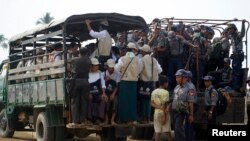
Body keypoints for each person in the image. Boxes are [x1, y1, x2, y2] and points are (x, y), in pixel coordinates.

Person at [115, 42, 142, 123]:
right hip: (133, 83)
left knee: (123, 100)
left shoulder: (122, 58)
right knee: (132, 101)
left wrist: (121, 74)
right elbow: (140, 69)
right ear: (133, 50)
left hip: (124, 82)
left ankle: (122, 118)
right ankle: (131, 119)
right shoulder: (138, 59)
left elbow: (116, 69)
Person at [67, 47, 91, 127]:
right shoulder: (88, 60)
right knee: (84, 101)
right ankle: (82, 120)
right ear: (86, 53)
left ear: (79, 52)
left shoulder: (75, 59)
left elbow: (67, 61)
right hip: (85, 81)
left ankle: (75, 121)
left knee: (75, 101)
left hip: (76, 82)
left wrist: (71, 53)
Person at [138, 44, 162, 123]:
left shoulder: (142, 60)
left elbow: (139, 70)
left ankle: (144, 118)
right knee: (149, 101)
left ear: (143, 52)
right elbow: (160, 70)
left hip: (144, 83)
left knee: (143, 100)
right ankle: (148, 118)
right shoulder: (154, 60)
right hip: (152, 84)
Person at [171, 69, 195, 141]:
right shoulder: (177, 87)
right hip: (174, 110)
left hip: (182, 111)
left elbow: (190, 102)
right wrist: (169, 106)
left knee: (179, 128)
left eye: (178, 77)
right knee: (175, 128)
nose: (176, 79)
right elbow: (174, 98)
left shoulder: (190, 88)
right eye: (176, 77)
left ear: (184, 78)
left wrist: (191, 115)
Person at [151, 75, 172, 141]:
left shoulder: (154, 91)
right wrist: (165, 117)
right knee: (167, 132)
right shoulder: (166, 92)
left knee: (157, 132)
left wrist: (159, 107)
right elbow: (165, 105)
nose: (167, 84)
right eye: (167, 83)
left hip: (156, 113)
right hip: (164, 113)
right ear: (165, 83)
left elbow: (151, 103)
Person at [88, 58, 108, 124]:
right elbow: (85, 85)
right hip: (90, 94)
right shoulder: (87, 74)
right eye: (95, 65)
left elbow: (103, 84)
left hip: (98, 93)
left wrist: (104, 93)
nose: (97, 67)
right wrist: (88, 93)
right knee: (89, 99)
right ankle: (90, 119)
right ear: (91, 66)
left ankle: (99, 118)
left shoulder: (100, 73)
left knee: (103, 99)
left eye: (97, 65)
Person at [227, 20, 246, 91]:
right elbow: (226, 34)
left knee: (237, 73)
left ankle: (236, 88)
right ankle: (235, 87)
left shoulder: (237, 35)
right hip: (235, 56)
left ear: (234, 29)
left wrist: (243, 24)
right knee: (234, 72)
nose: (229, 30)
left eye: (230, 29)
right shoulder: (231, 36)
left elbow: (243, 34)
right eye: (228, 29)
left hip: (238, 56)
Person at [104, 59, 120, 125]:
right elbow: (102, 85)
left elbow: (117, 86)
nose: (111, 69)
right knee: (105, 101)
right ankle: (106, 119)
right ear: (107, 67)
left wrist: (113, 94)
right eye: (110, 67)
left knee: (116, 101)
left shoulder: (117, 74)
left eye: (112, 67)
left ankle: (112, 120)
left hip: (114, 92)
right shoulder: (104, 73)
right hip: (106, 91)